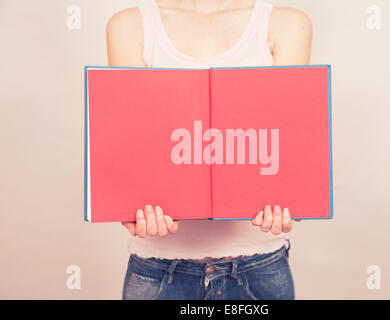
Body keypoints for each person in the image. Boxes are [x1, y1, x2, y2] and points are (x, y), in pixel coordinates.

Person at [106, 0, 312, 300]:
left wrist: (290, 199)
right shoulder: (129, 25)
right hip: (157, 270)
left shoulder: (289, 24)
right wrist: (131, 204)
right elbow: (135, 149)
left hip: (258, 269)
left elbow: (289, 144)